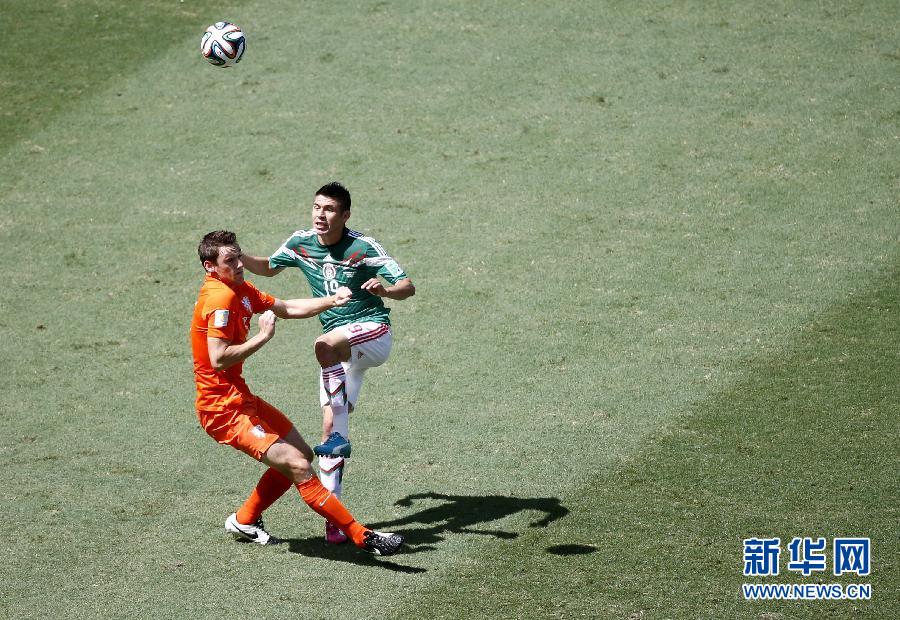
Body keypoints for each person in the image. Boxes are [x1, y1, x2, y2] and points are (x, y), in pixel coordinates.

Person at [190, 229, 403, 555]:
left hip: (240, 398)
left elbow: (287, 307)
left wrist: (330, 301)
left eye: (238, 256)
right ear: (210, 266)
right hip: (222, 411)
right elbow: (218, 358)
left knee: (302, 454)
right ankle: (362, 537)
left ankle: (245, 520)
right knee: (298, 465)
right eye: (230, 261)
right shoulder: (220, 298)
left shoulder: (239, 288)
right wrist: (262, 338)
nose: (239, 265)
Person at [241, 181, 415, 545]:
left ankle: (339, 433)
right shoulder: (300, 243)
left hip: (372, 333)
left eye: (330, 209)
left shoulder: (363, 247)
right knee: (328, 433)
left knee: (323, 344)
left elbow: (407, 286)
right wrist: (238, 258)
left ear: (345, 215)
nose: (321, 215)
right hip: (340, 354)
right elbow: (269, 267)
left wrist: (384, 290)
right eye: (317, 207)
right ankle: (334, 522)